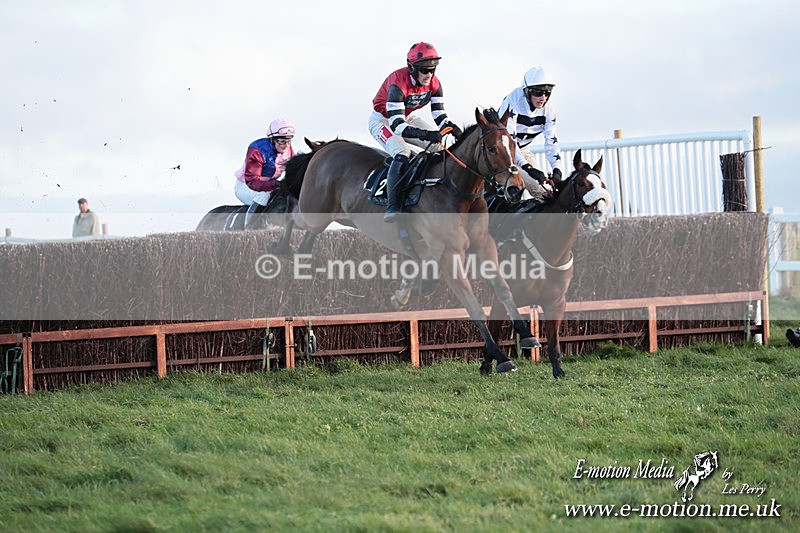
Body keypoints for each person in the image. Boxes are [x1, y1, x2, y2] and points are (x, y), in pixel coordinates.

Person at [369, 42, 463, 222]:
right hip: (383, 120)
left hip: (407, 117)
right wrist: (427, 134)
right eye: (424, 70)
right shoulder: (398, 83)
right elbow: (396, 126)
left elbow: (439, 113)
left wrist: (450, 127)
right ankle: (393, 205)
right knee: (401, 152)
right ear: (412, 68)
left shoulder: (435, 83)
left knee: (440, 148)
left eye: (432, 70)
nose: (429, 75)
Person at [498, 66, 563, 197]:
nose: (543, 98)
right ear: (527, 91)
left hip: (523, 150)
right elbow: (510, 142)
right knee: (532, 187)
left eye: (547, 93)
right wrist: (528, 168)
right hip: (502, 151)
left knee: (544, 192)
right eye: (538, 92)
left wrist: (557, 169)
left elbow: (551, 141)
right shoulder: (512, 102)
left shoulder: (549, 110)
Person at [234, 118, 295, 229]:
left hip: (269, 185)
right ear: (272, 139)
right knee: (264, 194)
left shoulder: (288, 150)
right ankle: (249, 230)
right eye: (282, 141)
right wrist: (274, 184)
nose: (286, 145)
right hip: (246, 186)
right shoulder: (257, 150)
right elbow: (253, 182)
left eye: (289, 141)